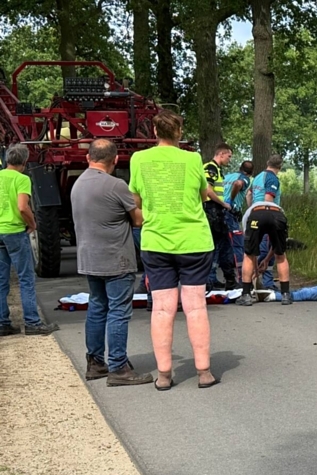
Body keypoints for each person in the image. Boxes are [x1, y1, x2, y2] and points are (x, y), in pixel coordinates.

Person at [129, 110, 218, 390]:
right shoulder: (193, 159)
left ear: (155, 132)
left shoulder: (139, 159)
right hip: (194, 241)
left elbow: (136, 200)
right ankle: (203, 372)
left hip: (156, 241)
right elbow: (204, 194)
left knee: (163, 310)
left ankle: (164, 375)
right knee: (195, 307)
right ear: (179, 132)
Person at [70, 139, 153, 386]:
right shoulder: (116, 185)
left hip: (89, 257)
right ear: (115, 160)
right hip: (116, 258)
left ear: (88, 158)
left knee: (97, 308)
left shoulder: (78, 184)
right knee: (118, 311)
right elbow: (138, 220)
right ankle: (118, 367)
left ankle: (95, 363)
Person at [0, 143, 59, 336]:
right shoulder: (22, 179)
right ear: (24, 162)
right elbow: (23, 207)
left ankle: (3, 322)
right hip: (15, 231)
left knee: (2, 280)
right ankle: (33, 322)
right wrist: (33, 224)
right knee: (26, 278)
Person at [237, 201, 292, 306]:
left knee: (248, 255)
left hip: (257, 216)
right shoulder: (279, 209)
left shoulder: (248, 214)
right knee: (281, 255)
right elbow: (276, 247)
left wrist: (262, 264)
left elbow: (252, 251)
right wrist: (265, 262)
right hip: (277, 216)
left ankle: (246, 295)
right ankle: (285, 295)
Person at [204, 143, 238, 290]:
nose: (229, 159)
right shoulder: (210, 168)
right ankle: (228, 281)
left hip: (215, 212)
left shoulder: (216, 169)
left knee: (220, 247)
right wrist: (224, 204)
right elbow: (208, 190)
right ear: (221, 154)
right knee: (222, 247)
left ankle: (218, 281)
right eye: (229, 156)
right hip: (212, 211)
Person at [247, 155, 283, 289]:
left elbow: (248, 194)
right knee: (266, 249)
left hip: (254, 214)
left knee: (255, 248)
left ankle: (255, 281)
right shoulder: (272, 178)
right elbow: (268, 199)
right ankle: (258, 281)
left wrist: (252, 208)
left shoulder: (257, 177)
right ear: (280, 166)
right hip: (267, 217)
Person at [223, 160, 254, 276]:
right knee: (237, 245)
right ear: (250, 173)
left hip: (218, 212)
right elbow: (238, 184)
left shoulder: (227, 177)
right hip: (231, 212)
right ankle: (242, 277)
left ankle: (215, 279)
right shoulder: (245, 179)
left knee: (221, 245)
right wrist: (230, 200)